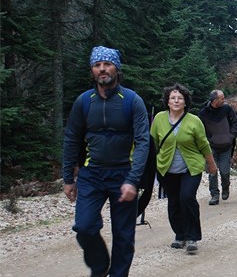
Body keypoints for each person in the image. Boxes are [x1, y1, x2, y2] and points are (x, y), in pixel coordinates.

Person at [62, 46, 150, 277]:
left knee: (123, 234)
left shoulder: (132, 100)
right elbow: (72, 139)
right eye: (97, 65)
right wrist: (68, 178)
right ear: (92, 70)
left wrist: (133, 180)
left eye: (107, 64)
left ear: (117, 68)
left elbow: (142, 142)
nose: (102, 69)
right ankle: (99, 266)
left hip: (124, 173)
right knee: (84, 226)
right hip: (92, 174)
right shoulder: (84, 102)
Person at [150, 84, 218, 254]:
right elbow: (153, 144)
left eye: (180, 98)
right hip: (166, 169)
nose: (176, 100)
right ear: (167, 101)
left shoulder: (194, 120)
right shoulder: (159, 119)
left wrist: (211, 163)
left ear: (185, 102)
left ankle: (192, 236)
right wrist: (148, 166)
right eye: (172, 98)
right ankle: (179, 235)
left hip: (191, 168)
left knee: (186, 197)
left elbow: (203, 144)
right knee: (173, 201)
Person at [198, 90, 237, 205]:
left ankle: (225, 187)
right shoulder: (203, 113)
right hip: (211, 147)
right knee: (212, 171)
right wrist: (207, 141)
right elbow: (200, 130)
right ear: (215, 101)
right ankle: (215, 195)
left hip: (226, 146)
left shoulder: (227, 109)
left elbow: (236, 124)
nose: (224, 100)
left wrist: (231, 136)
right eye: (222, 98)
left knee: (225, 172)